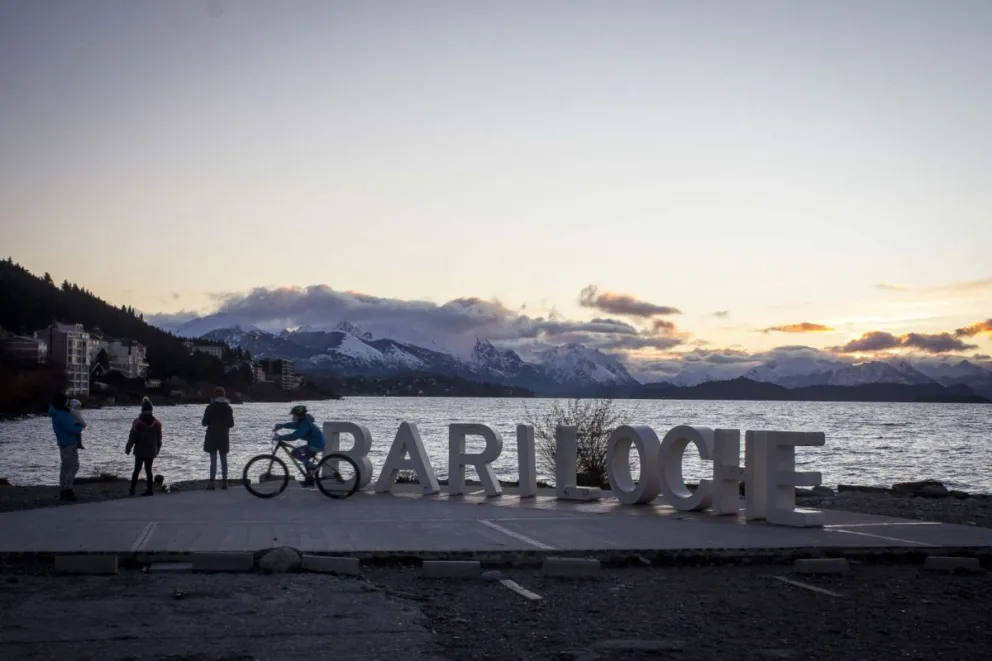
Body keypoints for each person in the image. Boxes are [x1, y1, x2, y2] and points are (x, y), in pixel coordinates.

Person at [273, 404, 326, 486]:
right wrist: (281, 426)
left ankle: (313, 468)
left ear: (299, 415)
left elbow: (294, 436)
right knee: (305, 459)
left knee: (295, 452)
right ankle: (310, 480)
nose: (293, 417)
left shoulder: (305, 425)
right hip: (317, 444)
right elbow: (293, 425)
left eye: (294, 415)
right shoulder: (303, 421)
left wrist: (280, 437)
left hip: (315, 446)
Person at [49, 393, 84, 501]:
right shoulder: (64, 414)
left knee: (64, 467)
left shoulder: (54, 414)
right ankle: (68, 490)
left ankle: (63, 490)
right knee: (74, 467)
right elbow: (70, 429)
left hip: (62, 443)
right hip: (70, 443)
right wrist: (80, 427)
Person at [125, 397, 162, 496]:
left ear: (142, 409)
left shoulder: (137, 422)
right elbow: (159, 439)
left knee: (137, 469)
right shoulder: (157, 423)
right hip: (151, 450)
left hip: (140, 450)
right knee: (149, 470)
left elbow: (133, 436)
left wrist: (128, 447)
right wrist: (157, 449)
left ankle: (132, 490)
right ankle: (150, 490)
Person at [201, 386, 235, 490]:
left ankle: (212, 482)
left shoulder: (210, 407)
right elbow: (231, 424)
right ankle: (225, 482)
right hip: (224, 437)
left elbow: (204, 423)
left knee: (213, 460)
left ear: (214, 395)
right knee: (224, 459)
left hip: (212, 436)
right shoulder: (228, 408)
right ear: (224, 395)